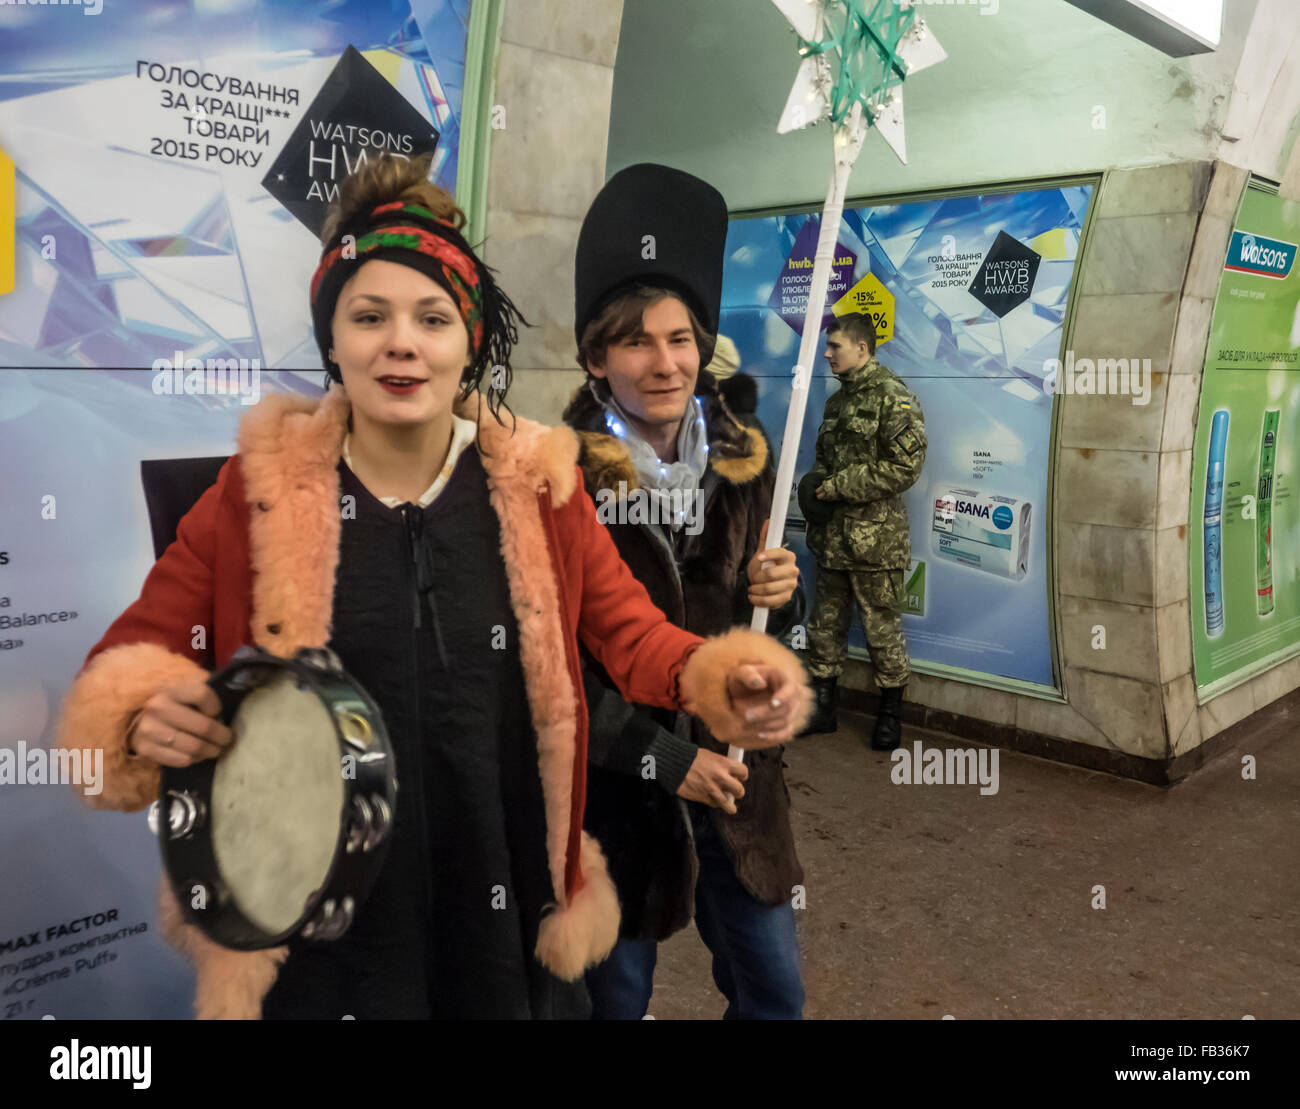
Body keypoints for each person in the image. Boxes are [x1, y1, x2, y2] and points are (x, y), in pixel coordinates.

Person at [52, 153, 811, 1020]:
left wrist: (724, 677)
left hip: (504, 899)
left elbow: (633, 636)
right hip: (318, 922)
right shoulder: (253, 493)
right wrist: (143, 709)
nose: (401, 342)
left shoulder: (538, 489)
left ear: (471, 340)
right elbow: (130, 658)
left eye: (432, 317)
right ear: (333, 340)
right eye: (368, 315)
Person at [563, 162, 806, 1020]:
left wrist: (787, 595)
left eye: (679, 338)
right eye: (635, 341)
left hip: (740, 779)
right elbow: (558, 671)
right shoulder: (558, 477)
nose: (664, 363)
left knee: (774, 992)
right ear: (597, 356)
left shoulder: (749, 456)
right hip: (621, 795)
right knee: (615, 1001)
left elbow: (776, 633)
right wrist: (667, 760)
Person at [799, 312, 926, 749]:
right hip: (834, 538)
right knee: (825, 625)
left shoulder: (894, 397)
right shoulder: (836, 403)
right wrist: (816, 488)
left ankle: (890, 716)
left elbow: (905, 467)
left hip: (876, 541)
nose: (828, 353)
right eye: (828, 346)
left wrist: (836, 487)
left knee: (882, 631)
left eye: (835, 346)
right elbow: (824, 461)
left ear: (862, 348)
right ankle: (822, 708)